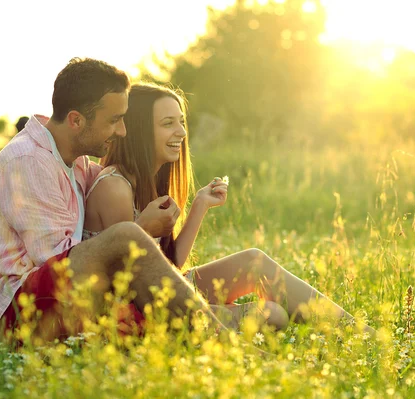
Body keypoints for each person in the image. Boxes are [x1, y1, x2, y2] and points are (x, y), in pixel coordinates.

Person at [0, 58, 227, 343]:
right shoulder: (28, 160)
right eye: (114, 120)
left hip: (49, 301)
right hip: (5, 316)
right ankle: (218, 339)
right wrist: (141, 229)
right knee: (126, 237)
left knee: (145, 305)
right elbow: (56, 261)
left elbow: (120, 184)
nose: (123, 131)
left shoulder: (78, 163)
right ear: (76, 120)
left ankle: (211, 330)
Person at [83, 83, 372, 332]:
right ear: (139, 131)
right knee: (271, 315)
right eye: (168, 123)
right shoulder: (115, 188)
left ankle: (357, 332)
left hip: (161, 290)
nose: (181, 132)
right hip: (133, 310)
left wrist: (199, 206)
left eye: (181, 122)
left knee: (254, 261)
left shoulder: (150, 182)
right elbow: (125, 287)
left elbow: (169, 266)